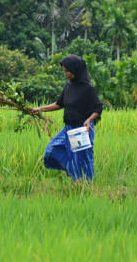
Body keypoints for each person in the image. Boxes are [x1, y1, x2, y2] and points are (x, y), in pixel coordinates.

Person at [32, 54, 103, 182]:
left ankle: (85, 185)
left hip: (81, 130)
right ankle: (75, 176)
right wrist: (38, 109)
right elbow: (59, 104)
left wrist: (89, 120)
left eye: (67, 71)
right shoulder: (68, 86)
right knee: (51, 150)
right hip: (68, 129)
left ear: (75, 70)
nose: (65, 74)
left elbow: (98, 108)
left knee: (82, 158)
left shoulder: (87, 88)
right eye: (64, 71)